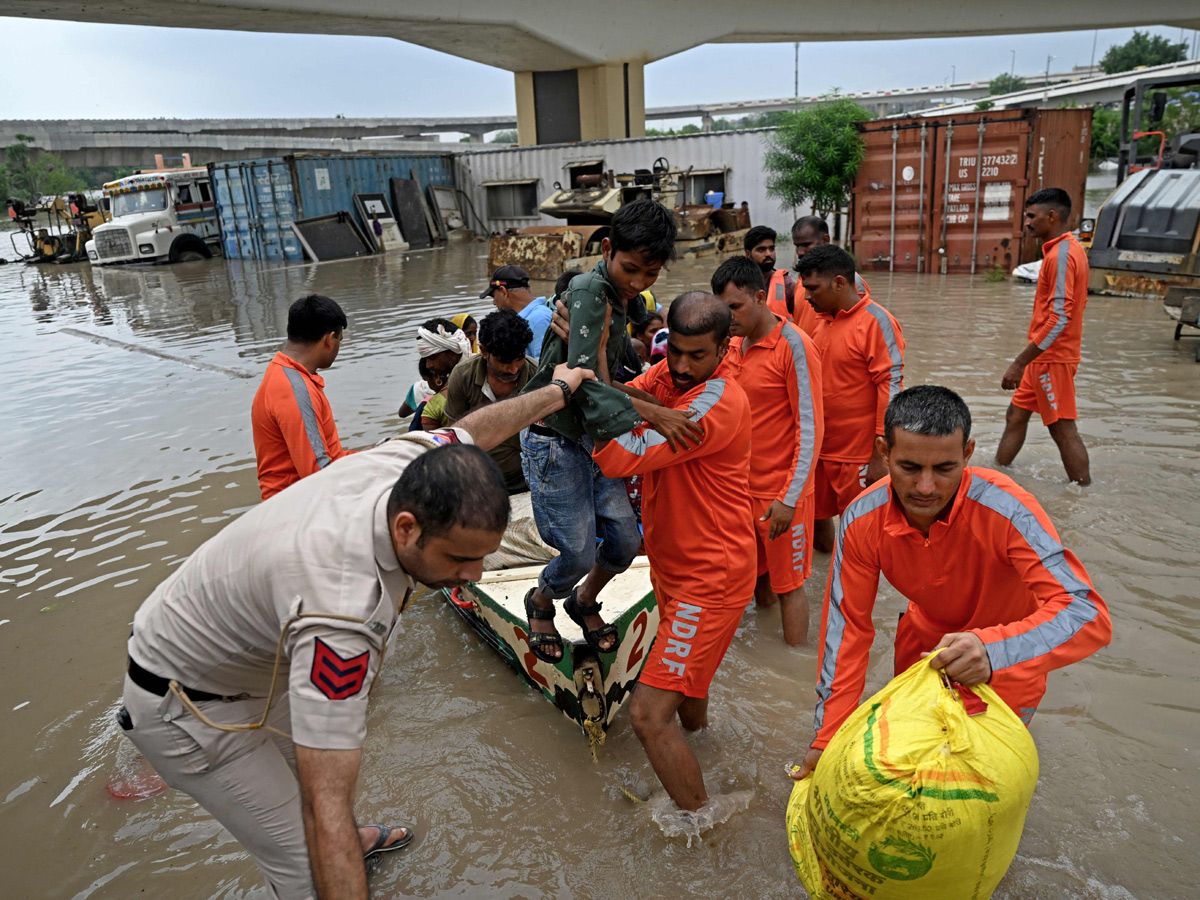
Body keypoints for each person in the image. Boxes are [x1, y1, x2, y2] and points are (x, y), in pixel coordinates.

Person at [119, 361, 597, 900]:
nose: (476, 576)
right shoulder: (342, 614)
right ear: (406, 528)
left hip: (243, 654)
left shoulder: (408, 462)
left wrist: (557, 391)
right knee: (306, 859)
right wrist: (330, 833)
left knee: (319, 793)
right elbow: (325, 804)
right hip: (186, 704)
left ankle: (351, 845)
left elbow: (479, 430)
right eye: (461, 559)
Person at [795, 385, 1112, 778]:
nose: (925, 488)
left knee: (983, 786)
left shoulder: (1010, 509)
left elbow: (1087, 613)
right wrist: (826, 738)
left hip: (1007, 664)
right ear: (883, 453)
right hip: (921, 657)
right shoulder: (861, 519)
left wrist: (992, 652)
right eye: (909, 467)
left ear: (967, 455)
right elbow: (847, 634)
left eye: (944, 469)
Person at [592, 291, 756, 811]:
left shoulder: (717, 402)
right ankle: (703, 750)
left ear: (725, 349)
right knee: (688, 685)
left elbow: (621, 456)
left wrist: (612, 401)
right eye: (675, 352)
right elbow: (618, 391)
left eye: (697, 356)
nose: (681, 368)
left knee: (646, 716)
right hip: (675, 566)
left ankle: (703, 827)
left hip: (711, 578)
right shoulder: (667, 376)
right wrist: (591, 353)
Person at [519, 198, 699, 663]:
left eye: (651, 274)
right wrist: (654, 415)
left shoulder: (622, 300)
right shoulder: (589, 293)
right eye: (631, 269)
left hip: (593, 437)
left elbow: (608, 376)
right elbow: (579, 384)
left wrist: (654, 402)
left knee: (623, 540)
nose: (639, 283)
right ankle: (541, 601)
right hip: (555, 437)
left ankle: (582, 601)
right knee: (576, 554)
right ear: (606, 249)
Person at [712, 256, 824, 645]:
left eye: (735, 308)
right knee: (755, 577)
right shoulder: (733, 345)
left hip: (781, 493)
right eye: (721, 309)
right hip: (740, 492)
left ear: (761, 297)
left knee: (790, 585)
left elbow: (810, 429)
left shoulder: (795, 346)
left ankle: (793, 668)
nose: (728, 318)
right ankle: (764, 645)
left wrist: (789, 499)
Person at [796, 245, 905, 554]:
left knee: (860, 538)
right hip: (820, 451)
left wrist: (878, 455)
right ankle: (826, 583)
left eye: (813, 288)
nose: (806, 297)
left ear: (840, 283)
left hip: (857, 457)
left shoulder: (875, 321)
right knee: (818, 527)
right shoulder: (821, 321)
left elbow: (891, 387)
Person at [996, 187, 1091, 485]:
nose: (1026, 222)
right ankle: (997, 476)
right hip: (1042, 358)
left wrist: (1019, 362)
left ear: (1052, 216)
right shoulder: (1061, 250)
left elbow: (1060, 317)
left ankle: (1083, 494)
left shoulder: (1063, 253)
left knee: (1062, 430)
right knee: (1015, 416)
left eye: (1030, 216)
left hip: (1051, 359)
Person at [251, 294, 353, 501]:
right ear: (328, 340)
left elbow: (332, 456)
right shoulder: (294, 388)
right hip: (294, 507)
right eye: (339, 340)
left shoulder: (288, 375)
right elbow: (317, 472)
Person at [444, 308, 536, 493]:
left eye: (519, 359)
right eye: (504, 361)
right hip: (481, 483)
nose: (513, 369)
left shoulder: (537, 375)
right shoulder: (463, 376)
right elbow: (454, 436)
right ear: (484, 351)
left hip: (530, 482)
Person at [790, 216, 871, 336]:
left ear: (825, 240)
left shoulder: (851, 281)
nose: (800, 252)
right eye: (797, 246)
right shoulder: (802, 280)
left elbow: (862, 325)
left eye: (806, 245)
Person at [399, 318, 472, 428]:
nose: (428, 365)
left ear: (452, 351)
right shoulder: (426, 389)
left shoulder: (479, 374)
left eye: (432, 357)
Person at [483, 264, 552, 360]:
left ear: (503, 292)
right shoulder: (525, 318)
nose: (494, 302)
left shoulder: (539, 319)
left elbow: (543, 367)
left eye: (494, 296)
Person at [744, 224, 796, 321]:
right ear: (748, 254)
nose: (768, 254)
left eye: (771, 249)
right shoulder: (738, 285)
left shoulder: (787, 285)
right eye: (761, 249)